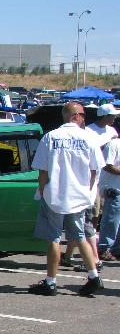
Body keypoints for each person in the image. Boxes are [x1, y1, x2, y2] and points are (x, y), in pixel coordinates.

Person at [28, 101, 105, 296]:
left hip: (55, 194)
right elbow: (94, 170)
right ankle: (94, 276)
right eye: (83, 115)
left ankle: (51, 281)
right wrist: (87, 191)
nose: (84, 119)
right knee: (79, 236)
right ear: (75, 116)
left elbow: (42, 171)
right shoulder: (89, 138)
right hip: (78, 196)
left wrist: (43, 190)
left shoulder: (51, 137)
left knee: (53, 238)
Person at [63, 103, 120, 268]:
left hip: (95, 182)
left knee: (93, 218)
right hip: (93, 182)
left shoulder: (112, 132)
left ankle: (76, 254)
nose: (114, 118)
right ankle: (96, 253)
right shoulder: (89, 132)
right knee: (92, 220)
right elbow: (102, 163)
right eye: (112, 116)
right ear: (104, 116)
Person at [96, 135, 120, 261]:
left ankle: (117, 250)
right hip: (113, 189)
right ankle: (104, 248)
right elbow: (107, 165)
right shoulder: (114, 144)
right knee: (111, 220)